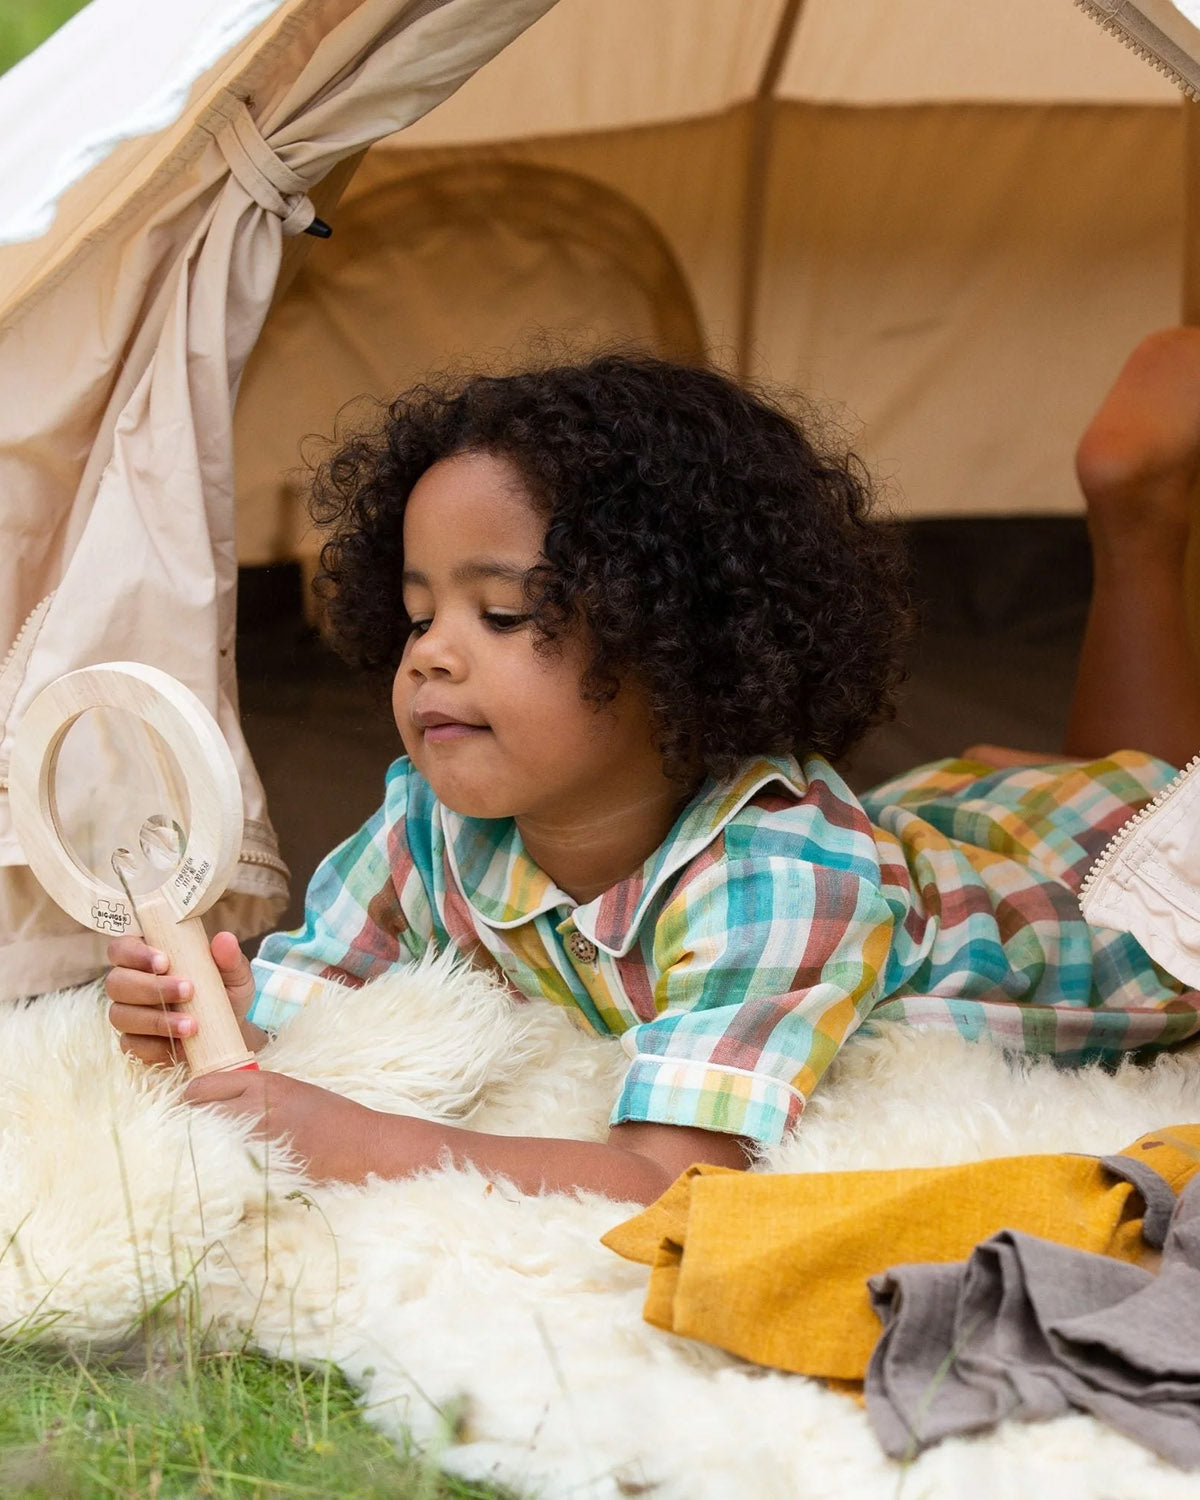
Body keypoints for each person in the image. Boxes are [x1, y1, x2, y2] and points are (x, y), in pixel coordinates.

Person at [105, 331, 1200, 1204]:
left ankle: (1135, 508)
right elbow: (308, 1001)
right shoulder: (431, 824)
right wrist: (212, 1013)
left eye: (501, 614)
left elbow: (665, 1182)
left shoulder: (780, 880)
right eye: (417, 611)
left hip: (1103, 901)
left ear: (674, 640)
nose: (432, 652)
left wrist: (360, 1141)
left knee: (1154, 806)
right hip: (923, 841)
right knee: (1059, 791)